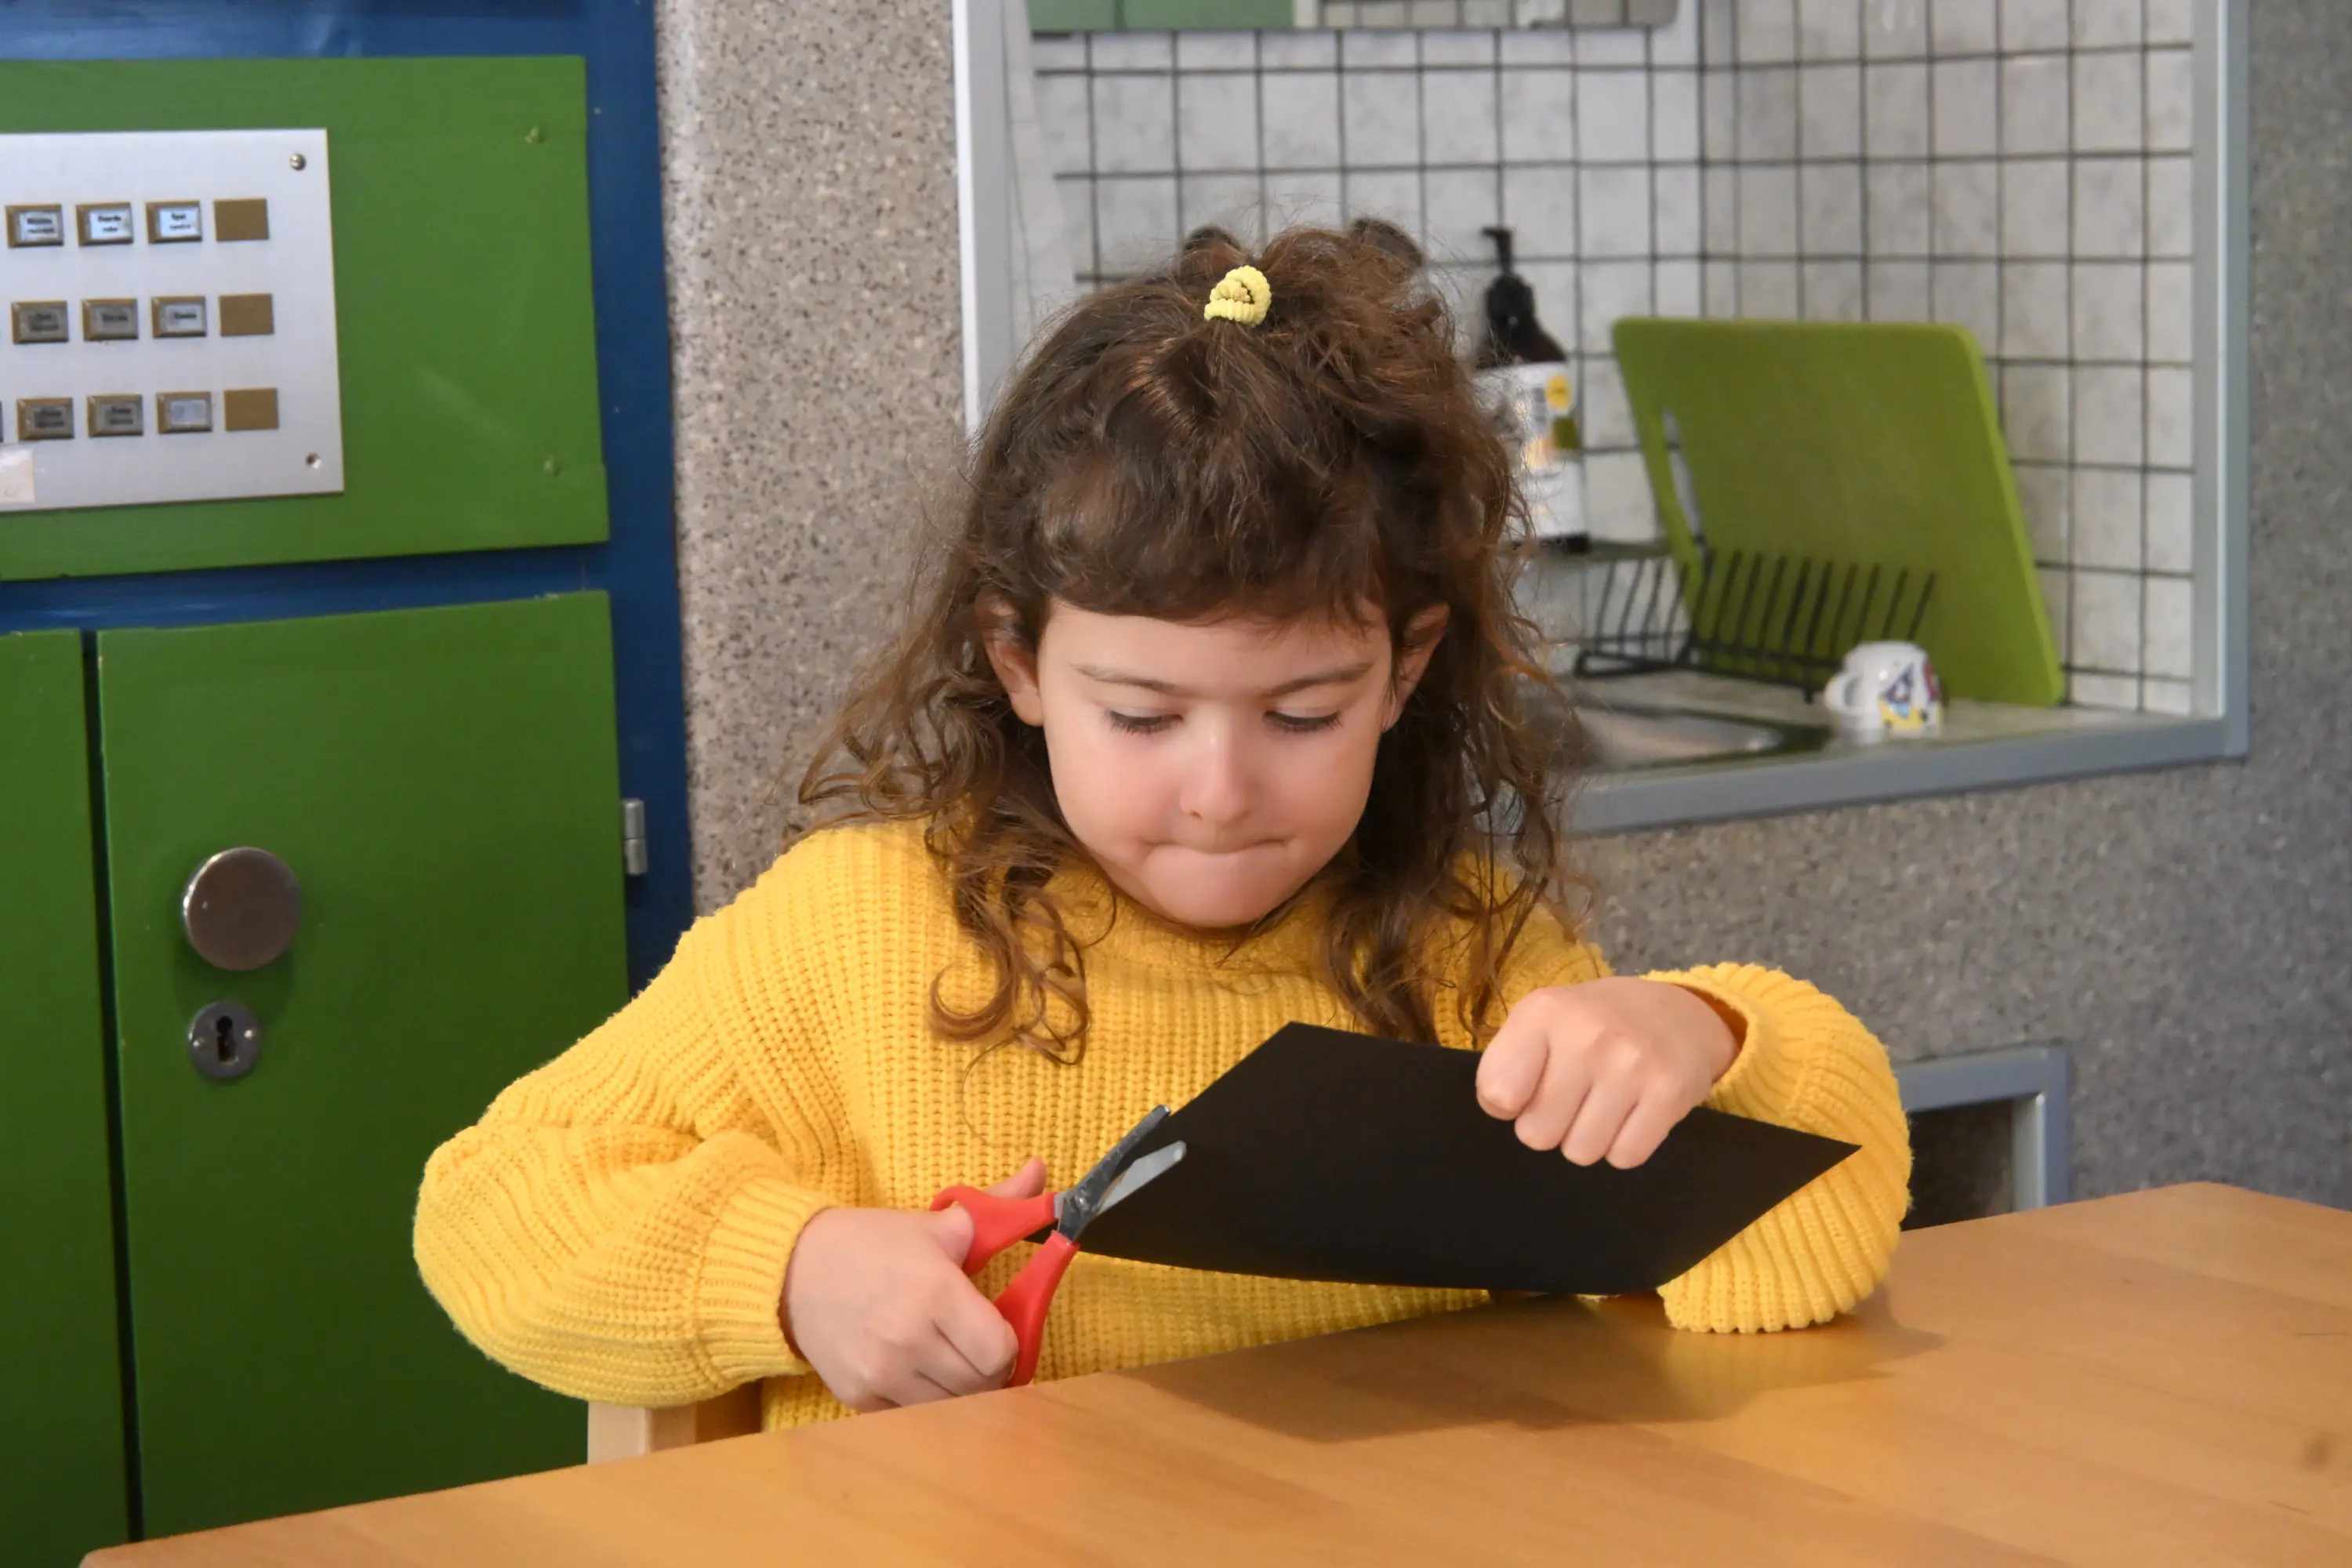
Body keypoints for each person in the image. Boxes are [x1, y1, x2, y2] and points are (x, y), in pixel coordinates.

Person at [413, 223, 1911, 1429]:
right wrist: (790, 1269)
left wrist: (1708, 1035)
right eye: (1141, 718)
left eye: (1302, 715)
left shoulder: (1461, 952)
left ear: (1404, 672)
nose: (1219, 788)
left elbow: (1790, 1260)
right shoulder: (854, 930)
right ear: (1018, 664)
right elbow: (495, 1203)